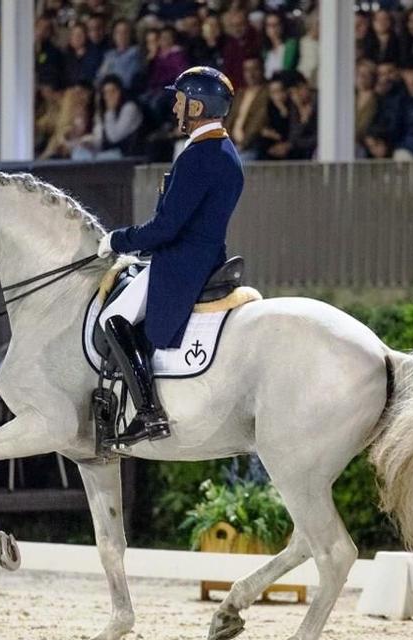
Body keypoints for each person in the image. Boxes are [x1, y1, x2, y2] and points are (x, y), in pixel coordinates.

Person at [93, 66, 243, 448]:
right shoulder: (222, 150)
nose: (175, 107)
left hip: (183, 262)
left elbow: (166, 227)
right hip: (200, 254)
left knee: (114, 318)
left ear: (197, 105)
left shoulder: (201, 157)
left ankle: (149, 413)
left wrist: (118, 240)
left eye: (180, 100)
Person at [226, 56, 268, 160]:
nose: (251, 74)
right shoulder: (241, 93)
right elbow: (231, 118)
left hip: (250, 146)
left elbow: (258, 121)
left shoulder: (267, 93)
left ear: (262, 70)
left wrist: (244, 144)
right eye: (247, 70)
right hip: (232, 144)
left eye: (255, 69)